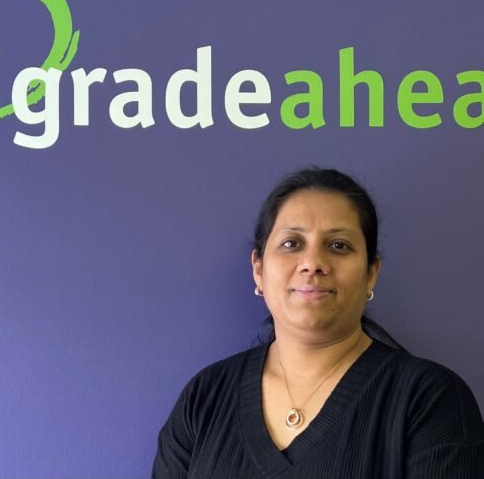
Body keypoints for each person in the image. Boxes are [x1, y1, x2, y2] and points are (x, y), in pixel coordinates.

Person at [151, 168, 484, 478]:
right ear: (258, 269)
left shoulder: (430, 399)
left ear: (371, 273)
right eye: (291, 244)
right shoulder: (205, 396)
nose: (312, 263)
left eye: (339, 246)